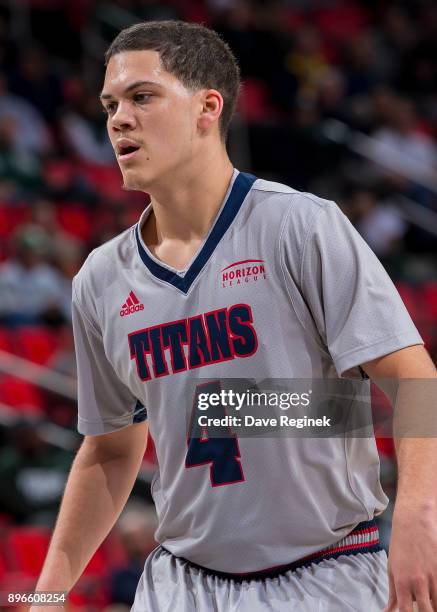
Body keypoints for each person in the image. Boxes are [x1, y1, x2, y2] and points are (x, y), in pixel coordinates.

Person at [34, 21, 437, 612]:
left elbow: (415, 380)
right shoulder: (99, 279)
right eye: (110, 104)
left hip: (325, 572)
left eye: (142, 97)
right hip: (182, 584)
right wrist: (39, 597)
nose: (118, 118)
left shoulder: (300, 225)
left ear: (207, 107)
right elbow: (112, 448)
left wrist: (419, 516)